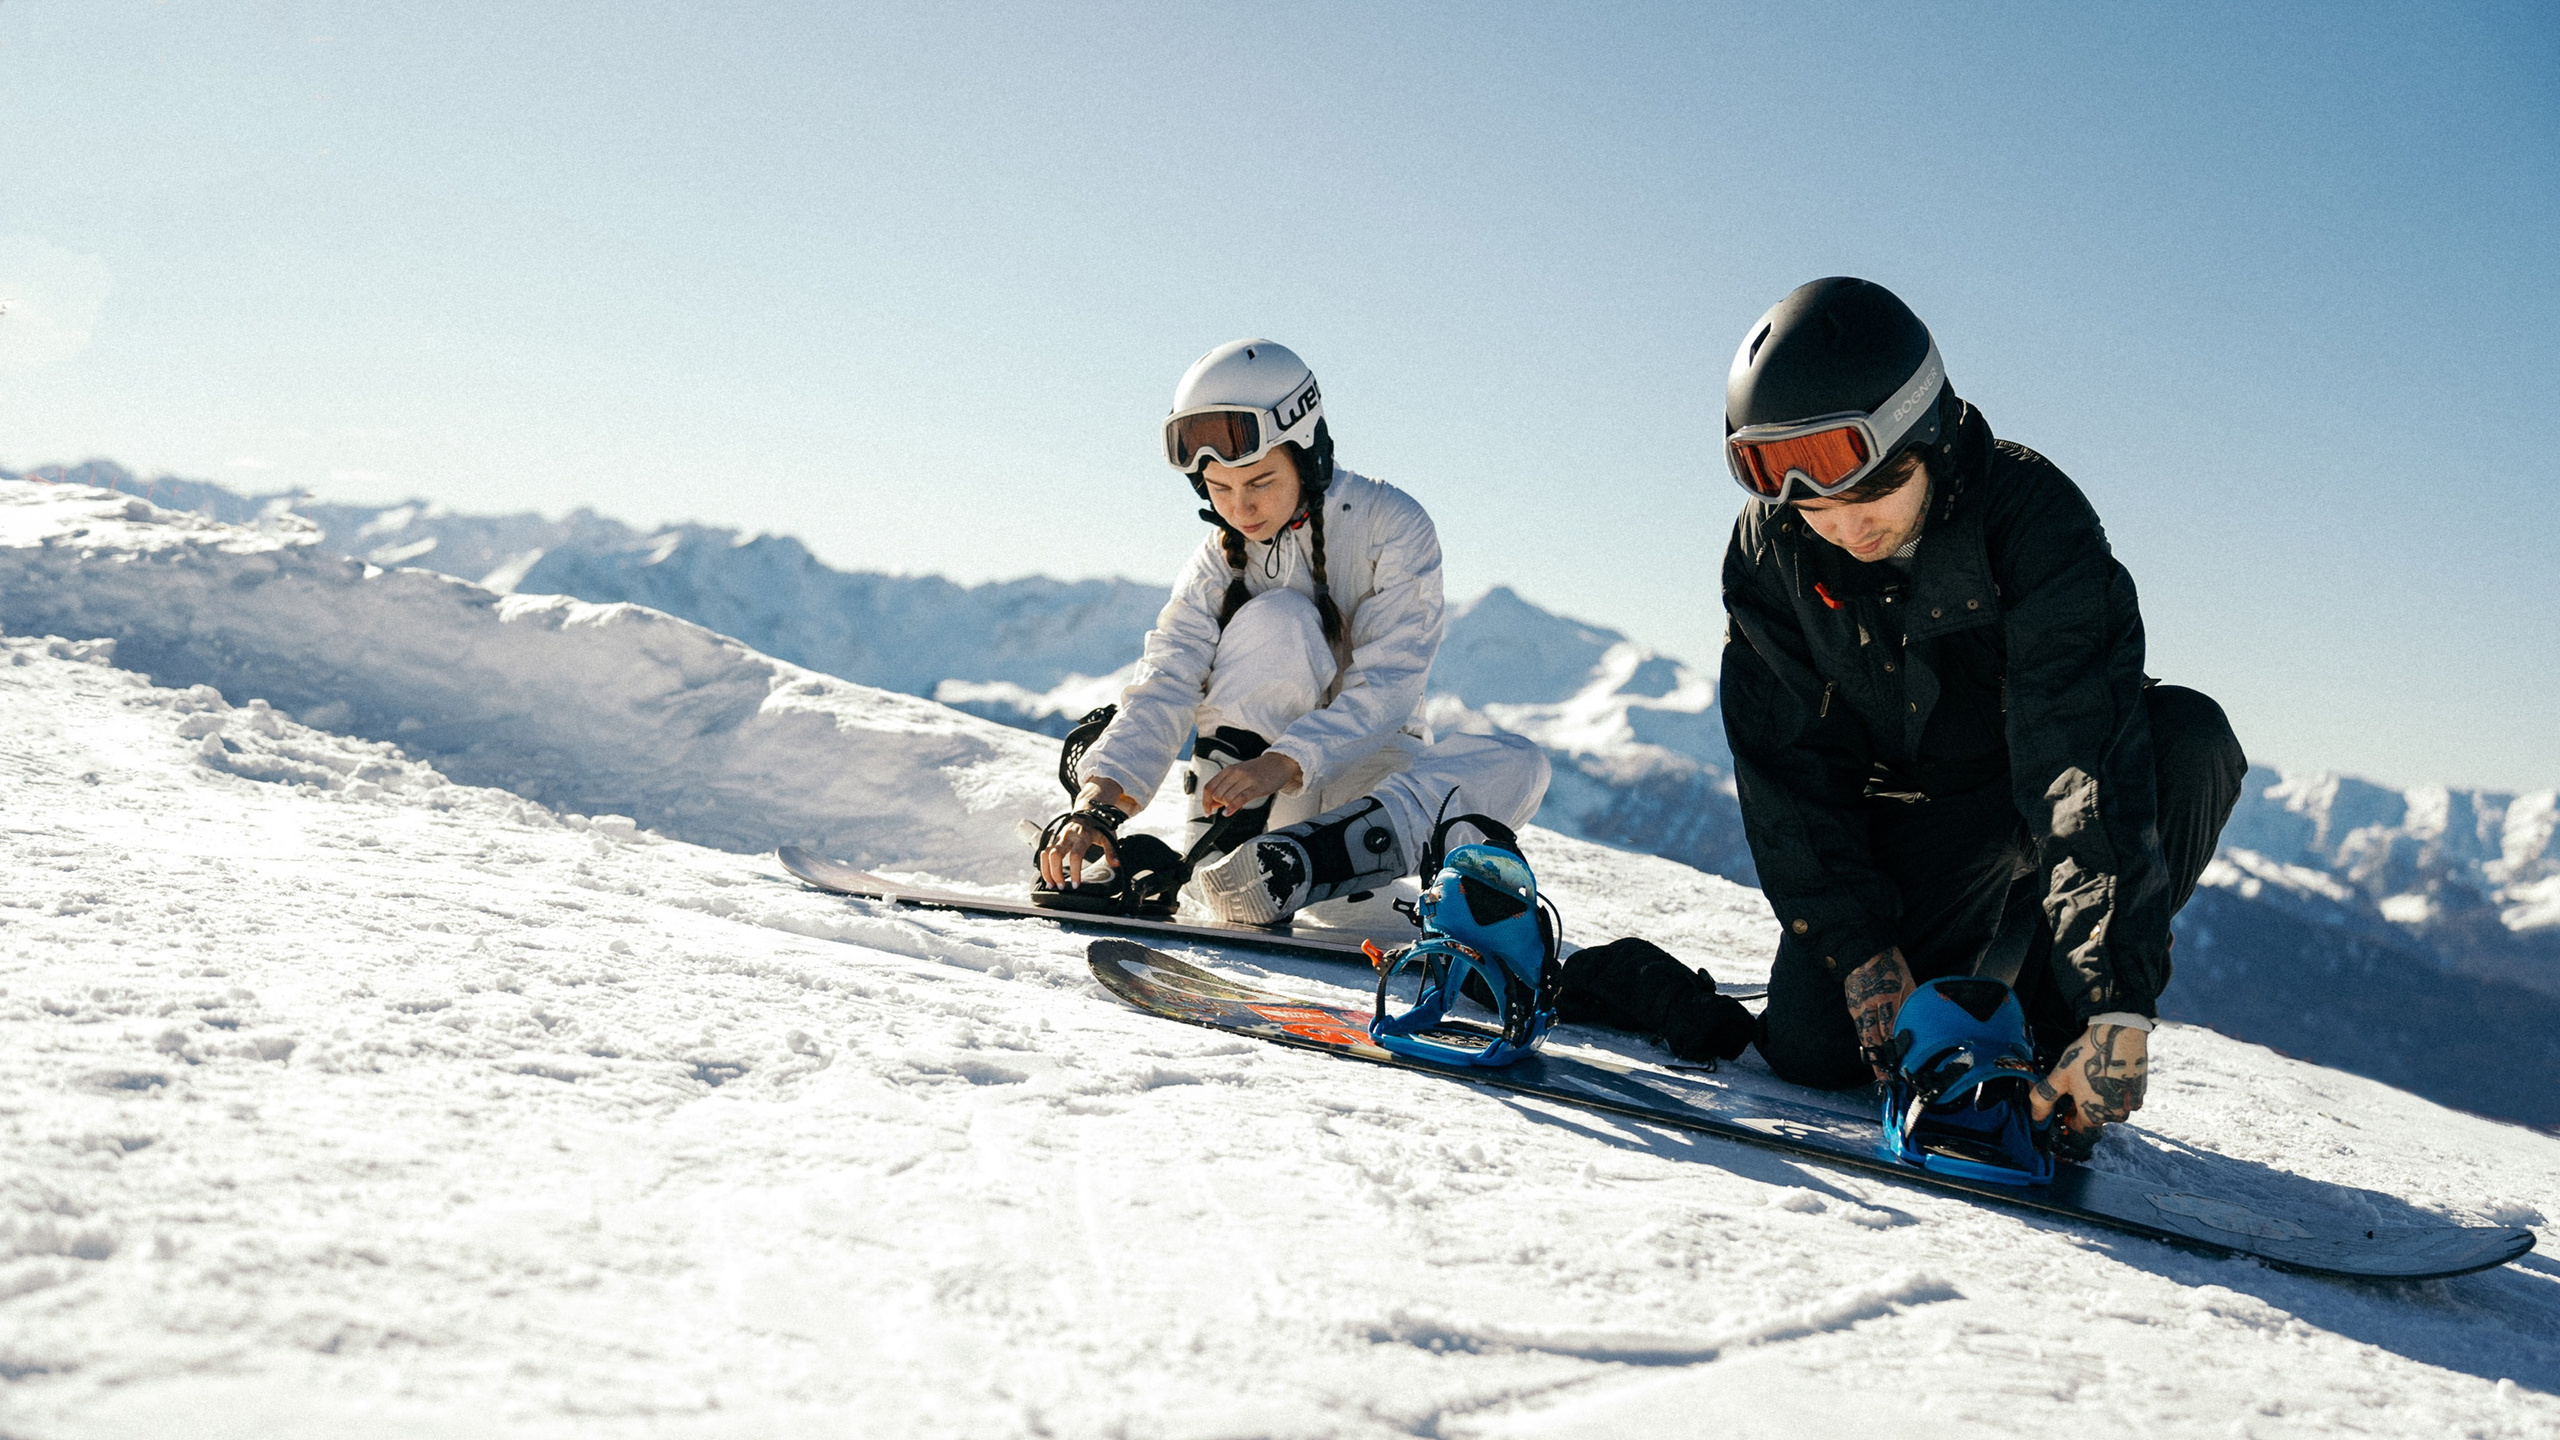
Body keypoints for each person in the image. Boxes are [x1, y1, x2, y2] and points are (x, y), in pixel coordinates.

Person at [1710, 277, 2247, 1157]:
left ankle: (2042, 1040)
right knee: (1816, 1053)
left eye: (1864, 496)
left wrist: (2112, 1004)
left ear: (1920, 434)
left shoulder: (2031, 519)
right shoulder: (1773, 547)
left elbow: (2079, 762)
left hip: (2046, 779)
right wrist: (1861, 951)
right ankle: (1966, 985)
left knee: (2187, 740)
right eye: (1807, 502)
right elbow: (1787, 768)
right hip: (1933, 821)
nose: (1839, 527)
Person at [1036, 338, 1549, 925]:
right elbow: (1166, 679)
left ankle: (1300, 865)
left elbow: (1389, 687)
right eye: (1219, 489)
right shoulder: (1217, 559)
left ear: (1307, 455)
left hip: (1370, 795)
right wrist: (1099, 804)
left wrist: (1286, 759)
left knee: (1522, 763)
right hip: (1255, 801)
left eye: (1258, 482)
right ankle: (1226, 862)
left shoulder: (1392, 523)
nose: (1240, 508)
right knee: (1280, 620)